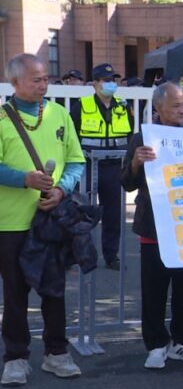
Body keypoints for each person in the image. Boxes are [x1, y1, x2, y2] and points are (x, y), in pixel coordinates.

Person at [0, 53, 85, 387]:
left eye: (45, 78)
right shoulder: (2, 119)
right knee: (15, 293)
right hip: (10, 223)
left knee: (54, 290)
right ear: (15, 82)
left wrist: (61, 190)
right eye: (35, 79)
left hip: (50, 220)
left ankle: (57, 352)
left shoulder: (59, 113)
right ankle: (16, 358)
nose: (43, 85)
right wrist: (24, 179)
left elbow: (76, 161)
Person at [120, 82, 183, 369]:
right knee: (154, 291)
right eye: (176, 105)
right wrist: (136, 163)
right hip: (154, 227)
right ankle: (156, 345)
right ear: (158, 108)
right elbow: (127, 182)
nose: (182, 110)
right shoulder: (142, 138)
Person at [70, 63, 133, 271]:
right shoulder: (82, 105)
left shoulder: (123, 106)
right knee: (81, 212)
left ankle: (111, 255)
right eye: (106, 80)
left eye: (113, 80)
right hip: (88, 165)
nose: (111, 83)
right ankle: (79, 254)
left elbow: (130, 135)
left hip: (114, 166)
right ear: (95, 83)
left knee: (113, 214)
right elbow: (71, 136)